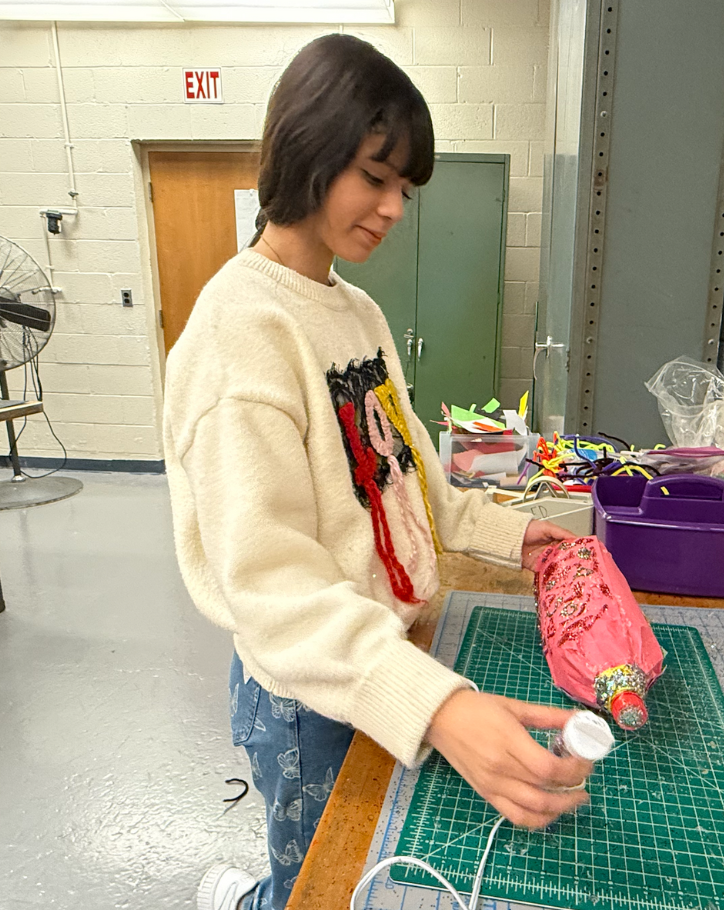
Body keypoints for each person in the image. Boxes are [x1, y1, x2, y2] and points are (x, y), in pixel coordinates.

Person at [163, 34, 592, 910]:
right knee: (314, 891)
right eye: (376, 175)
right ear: (308, 151)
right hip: (304, 692)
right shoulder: (240, 333)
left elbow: (407, 477)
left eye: (405, 187)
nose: (395, 207)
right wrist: (434, 705)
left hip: (381, 653)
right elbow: (269, 587)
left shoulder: (354, 311)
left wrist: (509, 533)